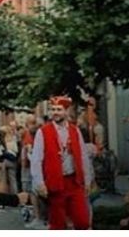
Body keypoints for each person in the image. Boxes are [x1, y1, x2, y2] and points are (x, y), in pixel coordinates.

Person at [30, 96, 93, 230]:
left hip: (74, 181)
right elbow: (36, 159)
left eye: (59, 109)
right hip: (55, 182)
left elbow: (83, 156)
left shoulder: (75, 131)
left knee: (82, 221)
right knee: (57, 223)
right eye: (53, 109)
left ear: (66, 111)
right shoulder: (43, 132)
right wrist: (39, 182)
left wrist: (87, 180)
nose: (55, 113)